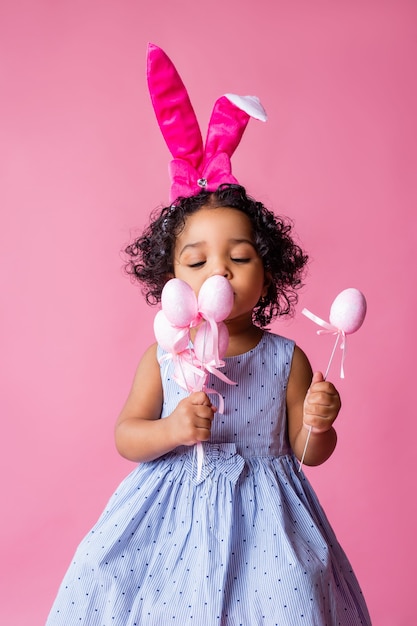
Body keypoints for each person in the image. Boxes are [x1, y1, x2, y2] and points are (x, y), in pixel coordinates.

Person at [46, 44, 371, 625]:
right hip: (171, 516)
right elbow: (127, 435)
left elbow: (307, 454)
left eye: (239, 257)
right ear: (171, 276)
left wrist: (320, 423)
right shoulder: (165, 356)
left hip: (268, 525)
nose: (218, 272)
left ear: (268, 270)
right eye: (196, 262)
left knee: (291, 594)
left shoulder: (285, 358)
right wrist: (172, 428)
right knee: (118, 579)